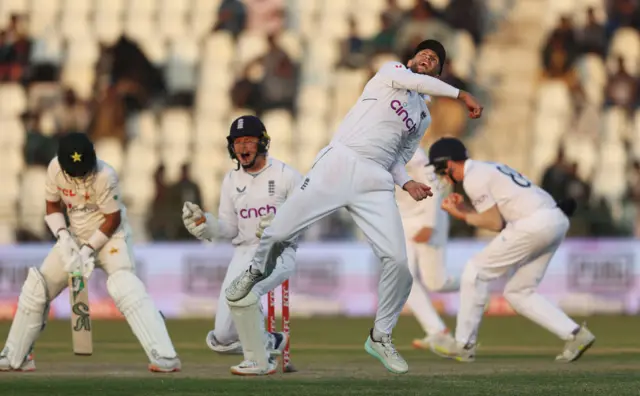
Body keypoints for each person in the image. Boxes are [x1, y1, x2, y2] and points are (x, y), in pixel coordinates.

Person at [225, 39, 483, 375]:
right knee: (278, 233)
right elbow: (418, 83)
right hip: (340, 161)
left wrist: (406, 182)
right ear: (411, 59)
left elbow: (398, 160)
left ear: (439, 70)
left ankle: (381, 335)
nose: (427, 58)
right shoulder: (392, 72)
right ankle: (254, 273)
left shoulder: (422, 117)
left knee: (399, 263)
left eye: (435, 59)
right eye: (424, 53)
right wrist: (462, 94)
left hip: (375, 180)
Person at [0, 133, 181, 373]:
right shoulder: (55, 168)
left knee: (124, 285)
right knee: (37, 287)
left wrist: (88, 249)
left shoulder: (106, 175)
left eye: (84, 171)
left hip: (111, 237)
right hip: (74, 236)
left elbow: (113, 218)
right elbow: (52, 206)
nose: (81, 177)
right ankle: (17, 356)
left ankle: (165, 356)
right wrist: (64, 238)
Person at [425, 137, 595, 363]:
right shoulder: (487, 169)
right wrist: (464, 208)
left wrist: (460, 214)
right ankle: (576, 334)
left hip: (534, 223)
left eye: (440, 170)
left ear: (450, 164)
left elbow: (494, 223)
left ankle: (464, 344)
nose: (442, 177)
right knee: (518, 292)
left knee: (475, 271)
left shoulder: (473, 178)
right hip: (555, 219)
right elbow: (501, 222)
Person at [181, 115, 302, 376]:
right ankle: (270, 342)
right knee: (222, 337)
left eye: (248, 141)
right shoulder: (231, 180)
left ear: (263, 142)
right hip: (243, 252)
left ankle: (260, 361)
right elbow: (229, 228)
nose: (243, 148)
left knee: (243, 293)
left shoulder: (286, 175)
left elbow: (305, 218)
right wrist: (206, 225)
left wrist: (279, 228)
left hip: (278, 252)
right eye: (237, 142)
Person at [395, 147, 459, 351]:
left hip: (427, 217)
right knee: (402, 278)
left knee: (436, 283)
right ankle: (437, 332)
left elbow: (433, 185)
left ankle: (477, 281)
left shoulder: (412, 152)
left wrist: (429, 224)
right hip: (403, 219)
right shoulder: (376, 149)